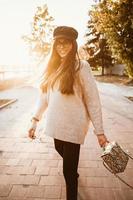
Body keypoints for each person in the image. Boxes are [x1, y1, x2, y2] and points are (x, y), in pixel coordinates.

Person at [28, 26, 109, 200]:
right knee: (60, 150)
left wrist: (99, 131)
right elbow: (44, 97)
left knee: (68, 173)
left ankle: (72, 183)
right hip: (56, 125)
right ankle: (72, 170)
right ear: (54, 45)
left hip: (74, 127)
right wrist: (34, 120)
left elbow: (93, 100)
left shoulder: (81, 67)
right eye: (59, 43)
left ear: (73, 45)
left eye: (66, 43)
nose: (62, 47)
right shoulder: (53, 68)